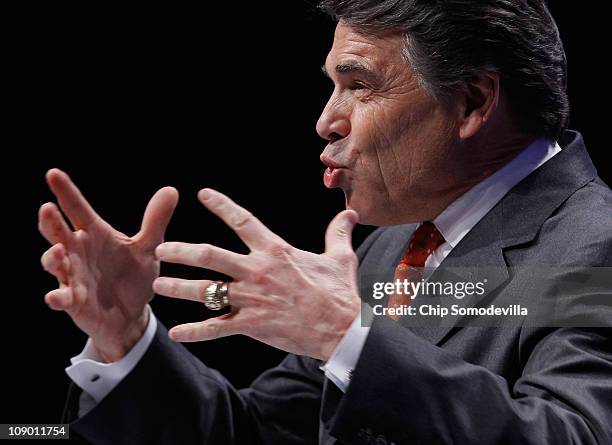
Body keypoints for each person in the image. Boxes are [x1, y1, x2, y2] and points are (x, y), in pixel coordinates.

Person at [39, 1, 612, 444]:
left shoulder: (594, 246)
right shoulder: (393, 249)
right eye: (331, 86)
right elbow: (259, 432)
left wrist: (346, 336)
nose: (325, 121)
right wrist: (125, 339)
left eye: (359, 85)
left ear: (471, 102)